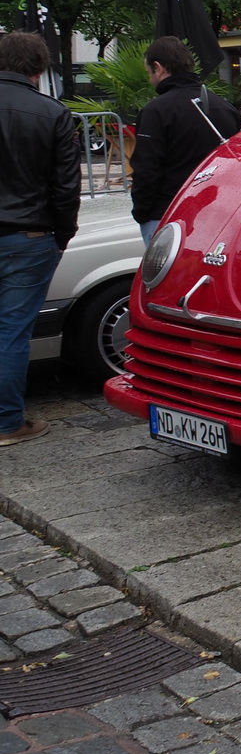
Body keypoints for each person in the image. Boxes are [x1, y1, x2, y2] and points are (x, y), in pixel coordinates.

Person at [0, 30, 79, 446]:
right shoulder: (52, 113)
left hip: (26, 234)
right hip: (28, 235)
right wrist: (62, 235)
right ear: (40, 69)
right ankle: (6, 423)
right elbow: (66, 187)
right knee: (12, 331)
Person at [131, 38, 241, 242]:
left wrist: (141, 213)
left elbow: (146, 170)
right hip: (216, 211)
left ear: (158, 68)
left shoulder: (156, 111)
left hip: (168, 213)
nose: (150, 79)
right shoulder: (225, 107)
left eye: (149, 73)